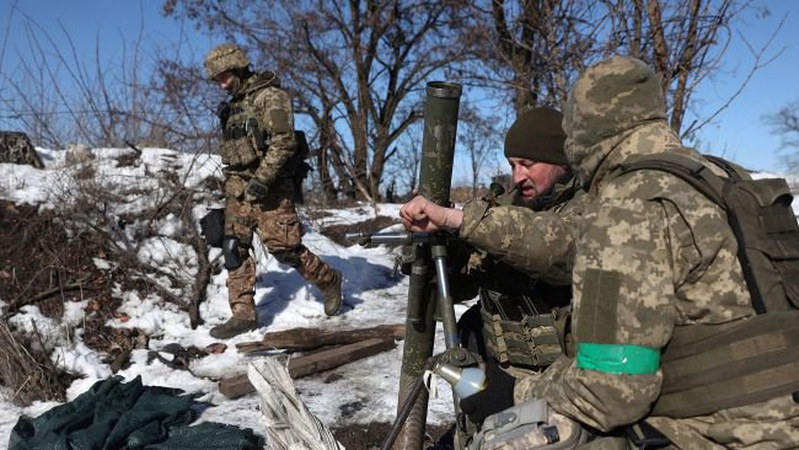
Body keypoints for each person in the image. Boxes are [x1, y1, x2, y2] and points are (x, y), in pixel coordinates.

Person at [506, 56, 799, 448]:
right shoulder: (725, 178)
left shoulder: (626, 205)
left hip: (716, 435)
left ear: (580, 132)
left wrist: (517, 394)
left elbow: (610, 392)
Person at [400, 106, 585, 427]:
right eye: (513, 165)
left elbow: (553, 249)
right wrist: (445, 247)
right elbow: (462, 287)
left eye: (527, 164)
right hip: (498, 373)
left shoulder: (591, 206)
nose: (517, 176)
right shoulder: (504, 207)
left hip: (564, 384)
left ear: (561, 160)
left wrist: (461, 221)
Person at [204, 43, 343, 339]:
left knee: (284, 249)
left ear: (238, 67)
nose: (221, 83)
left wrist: (262, 180)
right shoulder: (231, 107)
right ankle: (243, 315)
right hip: (238, 189)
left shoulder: (271, 96)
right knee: (233, 248)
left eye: (224, 76)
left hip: (272, 187)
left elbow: (284, 143)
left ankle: (330, 280)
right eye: (217, 79)